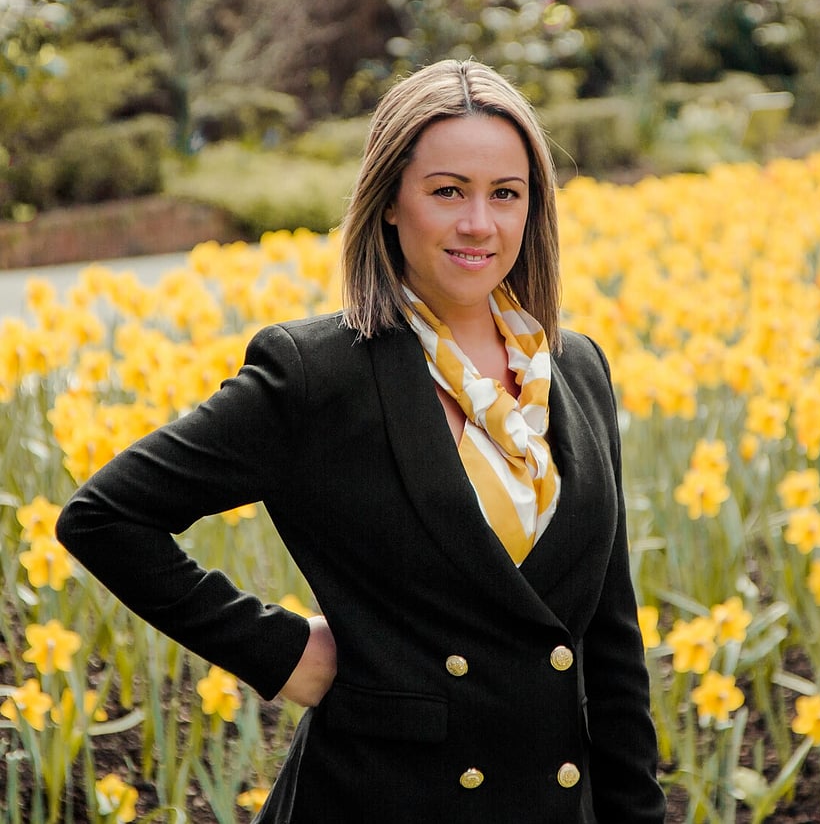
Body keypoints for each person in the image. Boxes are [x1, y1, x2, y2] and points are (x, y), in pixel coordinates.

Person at [56, 59, 665, 823]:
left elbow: (611, 646)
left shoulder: (575, 369)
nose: (479, 222)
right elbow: (106, 518)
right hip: (381, 799)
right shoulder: (317, 374)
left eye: (506, 194)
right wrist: (281, 653)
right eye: (448, 191)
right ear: (389, 203)